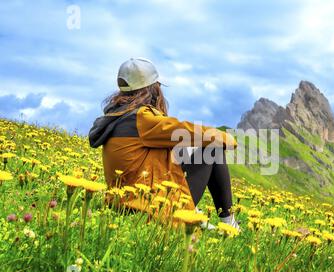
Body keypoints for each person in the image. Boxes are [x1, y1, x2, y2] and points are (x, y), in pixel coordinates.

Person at [88, 58, 239, 229]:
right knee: (213, 149)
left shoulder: (117, 118)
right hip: (151, 208)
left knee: (186, 151)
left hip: (122, 204)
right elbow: (184, 130)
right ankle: (229, 224)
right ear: (153, 88)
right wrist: (227, 139)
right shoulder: (142, 119)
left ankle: (197, 212)